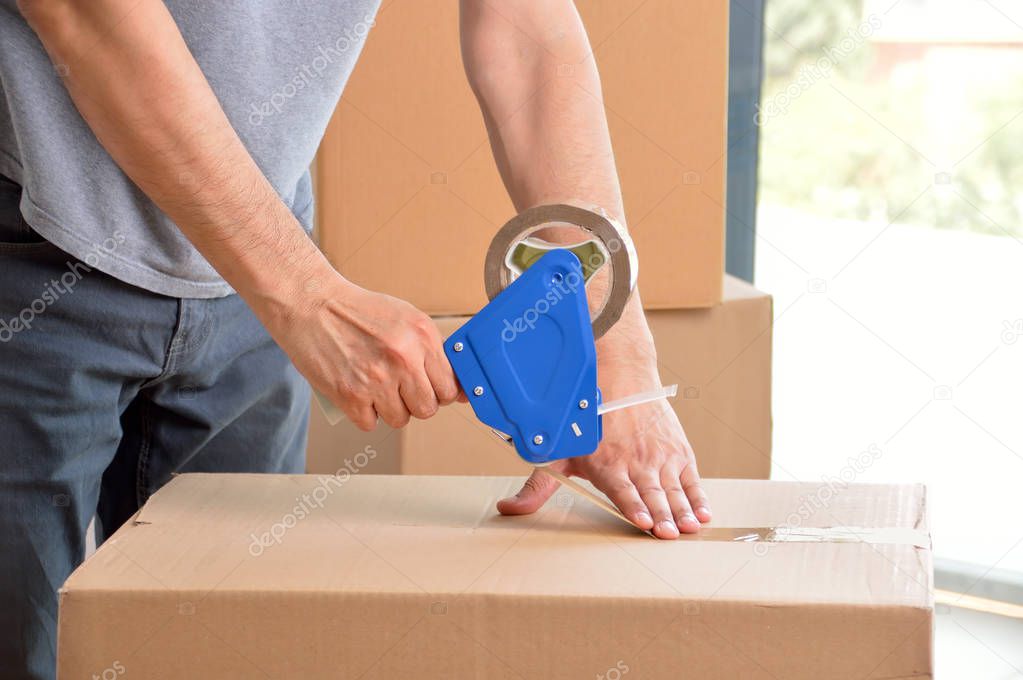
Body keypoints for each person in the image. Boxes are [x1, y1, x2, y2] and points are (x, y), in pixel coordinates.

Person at [0, 1, 711, 676]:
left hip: (254, 256)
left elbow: (529, 32)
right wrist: (303, 296)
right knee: (20, 650)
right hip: (34, 250)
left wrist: (612, 351)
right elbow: (84, 16)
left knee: (224, 646)